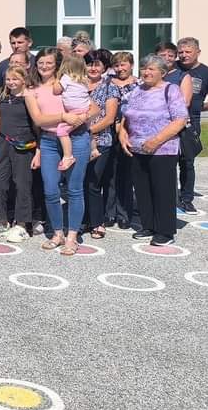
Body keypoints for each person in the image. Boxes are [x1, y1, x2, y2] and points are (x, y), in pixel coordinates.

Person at [24, 48, 97, 255]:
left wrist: (81, 118)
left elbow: (95, 109)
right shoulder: (31, 89)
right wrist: (64, 117)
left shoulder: (69, 81)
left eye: (49, 62)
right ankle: (57, 233)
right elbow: (39, 120)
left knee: (75, 189)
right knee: (50, 190)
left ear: (57, 64)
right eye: (41, 63)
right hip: (48, 141)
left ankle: (72, 236)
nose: (44, 66)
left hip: (77, 138)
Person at [119, 54, 190, 246]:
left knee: (163, 190)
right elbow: (126, 115)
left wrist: (156, 140)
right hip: (137, 148)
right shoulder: (136, 90)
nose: (146, 72)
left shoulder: (171, 90)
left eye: (151, 69)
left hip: (163, 149)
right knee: (142, 189)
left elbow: (180, 119)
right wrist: (123, 134)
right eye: (144, 68)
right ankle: (148, 225)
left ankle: (165, 231)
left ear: (162, 72)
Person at [0, 65, 38, 242]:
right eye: (8, 79)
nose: (11, 82)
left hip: (23, 145)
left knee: (22, 184)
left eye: (15, 79)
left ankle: (22, 224)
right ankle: (1, 220)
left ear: (24, 79)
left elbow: (37, 126)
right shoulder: (3, 96)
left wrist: (38, 151)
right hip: (2, 143)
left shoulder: (28, 97)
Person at [177, 37, 208, 214]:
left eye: (188, 51)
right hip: (167, 121)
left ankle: (186, 199)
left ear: (198, 52)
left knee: (187, 162)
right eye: (181, 52)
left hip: (190, 123)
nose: (184, 55)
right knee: (164, 162)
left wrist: (196, 108)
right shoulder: (171, 69)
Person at [83, 50, 121, 239]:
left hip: (101, 141)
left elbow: (109, 118)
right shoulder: (78, 85)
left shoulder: (109, 87)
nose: (93, 68)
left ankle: (97, 222)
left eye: (97, 64)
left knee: (93, 182)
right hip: (77, 141)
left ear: (104, 67)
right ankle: (83, 219)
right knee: (79, 182)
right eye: (89, 64)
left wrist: (88, 131)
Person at [109, 51, 140, 230]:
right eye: (117, 65)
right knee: (109, 175)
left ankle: (124, 213)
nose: (120, 68)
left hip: (130, 132)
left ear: (131, 65)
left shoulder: (139, 84)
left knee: (126, 175)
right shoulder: (107, 82)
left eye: (123, 64)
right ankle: (109, 212)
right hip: (108, 132)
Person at [52, 55, 93, 171]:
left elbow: (56, 91)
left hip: (75, 112)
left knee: (62, 131)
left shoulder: (66, 78)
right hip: (85, 109)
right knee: (88, 129)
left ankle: (68, 156)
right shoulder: (85, 80)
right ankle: (94, 149)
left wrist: (57, 79)